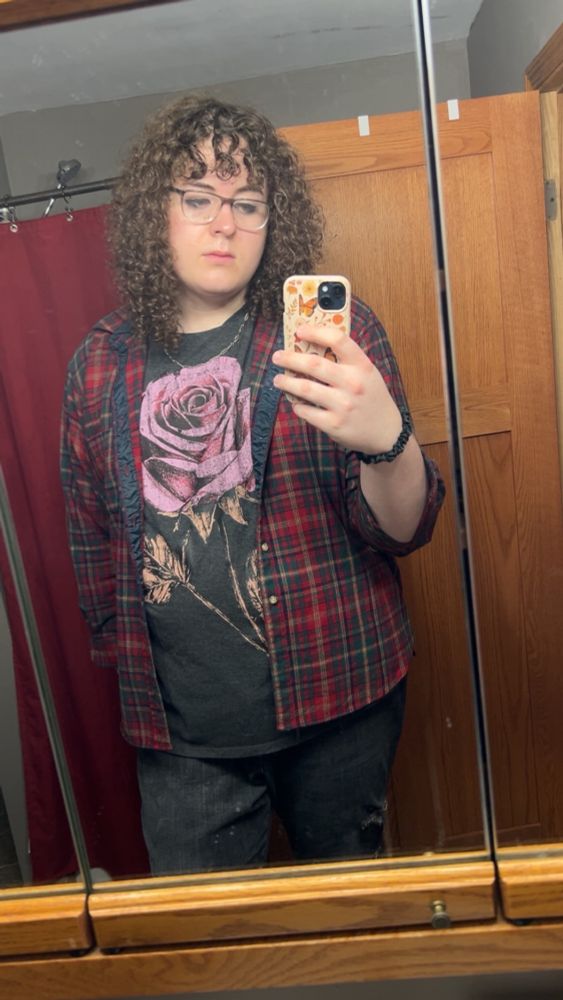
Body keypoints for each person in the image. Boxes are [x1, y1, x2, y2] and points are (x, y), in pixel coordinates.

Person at [61, 95, 445, 875]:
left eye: (247, 203)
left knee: (347, 913)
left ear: (274, 221)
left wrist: (387, 441)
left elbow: (405, 530)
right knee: (206, 935)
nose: (223, 224)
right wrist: (125, 652)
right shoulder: (99, 361)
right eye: (197, 197)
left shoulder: (331, 338)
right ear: (155, 211)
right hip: (183, 734)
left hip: (342, 697)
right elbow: (91, 530)